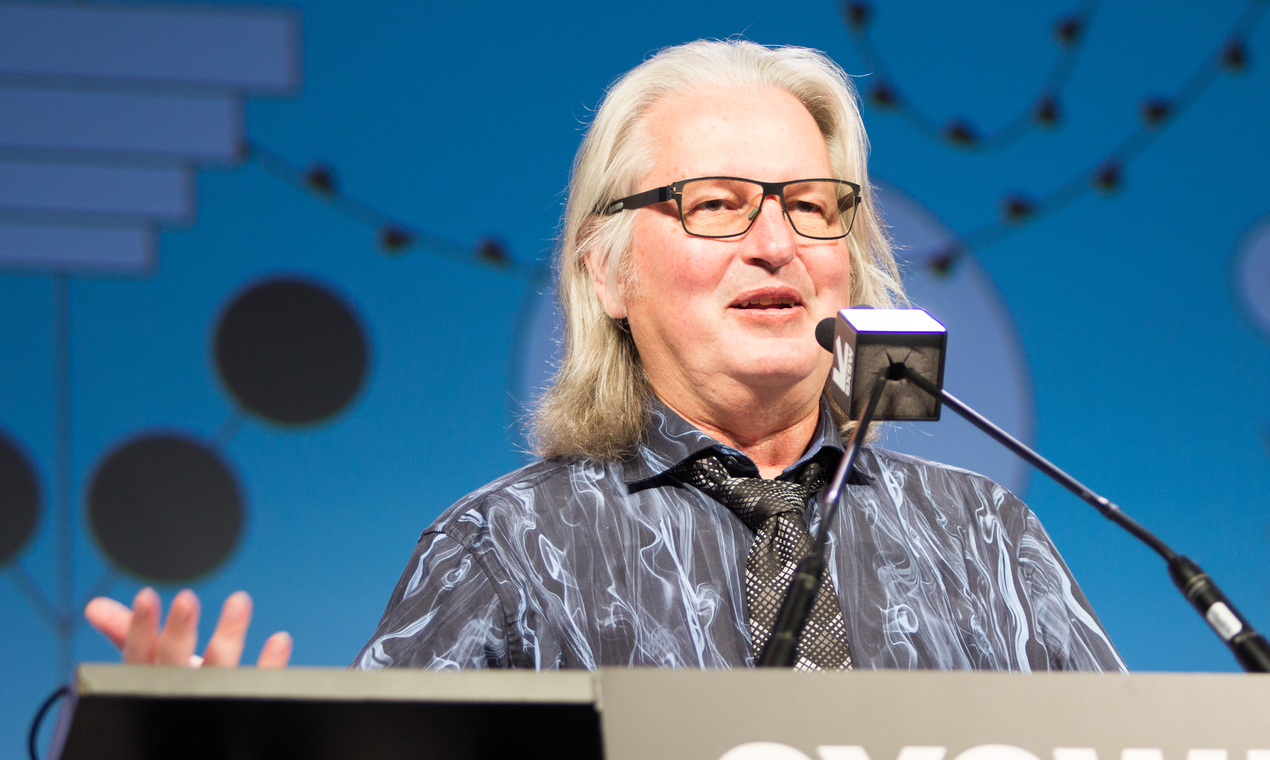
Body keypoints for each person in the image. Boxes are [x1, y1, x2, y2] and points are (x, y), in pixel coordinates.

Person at [87, 39, 1123, 673]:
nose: (776, 242)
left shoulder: (984, 540)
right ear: (608, 273)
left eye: (813, 207)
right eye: (716, 204)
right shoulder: (507, 550)